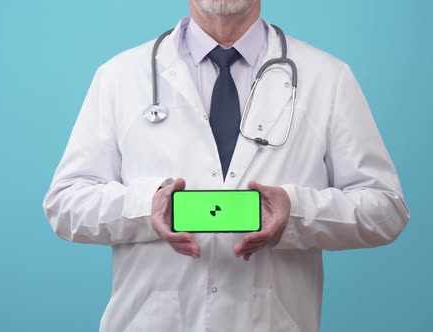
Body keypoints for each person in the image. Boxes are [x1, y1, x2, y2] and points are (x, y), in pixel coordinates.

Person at [43, 0, 410, 331]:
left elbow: (386, 209)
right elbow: (65, 203)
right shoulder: (120, 76)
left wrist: (296, 212)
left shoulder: (326, 78)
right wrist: (145, 207)